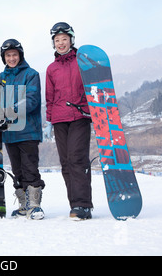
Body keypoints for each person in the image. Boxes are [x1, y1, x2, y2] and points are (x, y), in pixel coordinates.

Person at [45, 22, 93, 220]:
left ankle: (84, 204)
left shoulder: (82, 61)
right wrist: (49, 119)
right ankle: (75, 204)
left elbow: (93, 85)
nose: (61, 43)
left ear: (71, 40)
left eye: (64, 39)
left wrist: (95, 111)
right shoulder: (51, 68)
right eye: (57, 40)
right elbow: (49, 96)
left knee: (77, 158)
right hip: (59, 119)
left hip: (80, 116)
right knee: (65, 162)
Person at [0, 39, 45, 220]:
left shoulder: (31, 74)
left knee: (29, 168)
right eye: (8, 55)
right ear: (4, 57)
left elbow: (32, 100)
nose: (11, 58)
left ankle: (35, 206)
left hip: (28, 131)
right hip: (10, 133)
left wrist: (11, 110)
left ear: (20, 55)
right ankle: (24, 205)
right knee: (17, 170)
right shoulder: (1, 78)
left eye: (14, 55)